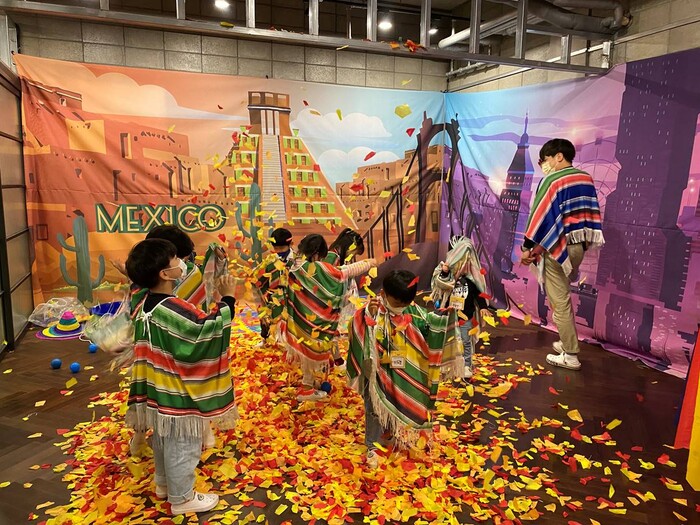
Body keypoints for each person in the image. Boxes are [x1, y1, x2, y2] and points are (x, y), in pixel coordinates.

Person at [125, 238, 238, 514]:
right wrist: (228, 298)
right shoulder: (172, 307)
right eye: (176, 260)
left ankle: (164, 484)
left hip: (158, 390)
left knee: (163, 440)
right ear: (165, 274)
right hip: (176, 394)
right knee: (184, 447)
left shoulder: (146, 304)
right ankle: (182, 499)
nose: (182, 263)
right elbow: (207, 330)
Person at [347, 270, 461, 468]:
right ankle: (372, 445)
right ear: (383, 294)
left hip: (401, 373)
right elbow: (355, 328)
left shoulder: (414, 312)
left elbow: (431, 327)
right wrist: (369, 316)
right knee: (374, 410)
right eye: (396, 302)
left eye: (404, 304)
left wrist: (445, 318)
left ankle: (388, 436)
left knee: (395, 403)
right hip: (375, 374)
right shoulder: (374, 309)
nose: (400, 307)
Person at [520, 138, 604, 371]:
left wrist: (527, 248)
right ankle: (567, 342)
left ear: (559, 156)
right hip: (578, 246)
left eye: (545, 159)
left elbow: (540, 216)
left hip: (559, 249)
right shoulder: (585, 178)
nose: (544, 165)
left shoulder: (552, 180)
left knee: (560, 302)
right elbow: (586, 215)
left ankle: (570, 354)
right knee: (562, 295)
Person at [281, 234, 376, 402]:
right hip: (315, 322)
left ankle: (311, 383)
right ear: (318, 253)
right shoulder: (317, 267)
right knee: (311, 354)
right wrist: (369, 263)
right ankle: (306, 389)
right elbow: (342, 273)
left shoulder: (294, 266)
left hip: (299, 320)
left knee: (307, 354)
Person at [430, 236, 490, 379]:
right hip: (448, 315)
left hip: (466, 316)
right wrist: (445, 272)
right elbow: (441, 283)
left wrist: (483, 307)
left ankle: (467, 365)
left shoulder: (471, 279)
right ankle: (445, 363)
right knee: (446, 339)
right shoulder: (448, 275)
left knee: (465, 341)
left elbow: (478, 293)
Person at [325, 228, 365, 366]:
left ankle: (336, 358)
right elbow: (331, 280)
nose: (352, 257)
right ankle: (336, 359)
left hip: (339, 299)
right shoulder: (332, 257)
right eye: (354, 253)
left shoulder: (338, 257)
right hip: (331, 299)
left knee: (333, 329)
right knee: (330, 329)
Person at [253, 228, 295, 344]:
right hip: (273, 298)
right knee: (266, 313)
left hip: (292, 299)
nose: (278, 251)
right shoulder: (270, 260)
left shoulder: (297, 260)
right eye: (276, 249)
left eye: (282, 248)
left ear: (291, 244)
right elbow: (257, 278)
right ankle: (267, 337)